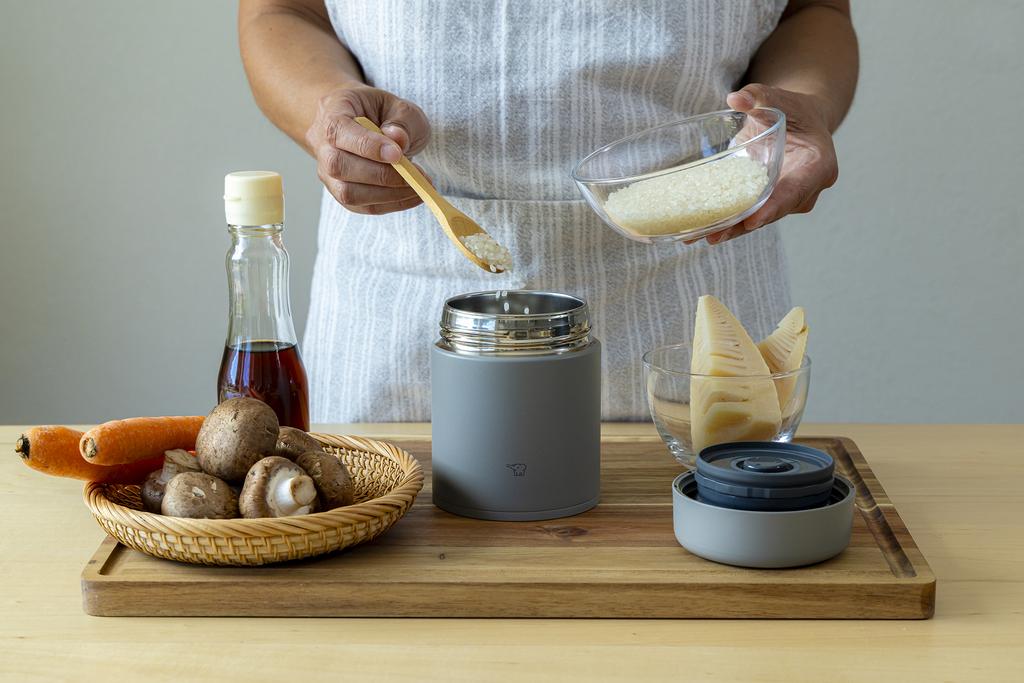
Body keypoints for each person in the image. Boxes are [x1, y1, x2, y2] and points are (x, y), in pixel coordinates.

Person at [238, 0, 858, 422]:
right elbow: (283, 10)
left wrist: (803, 106)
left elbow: (814, 10)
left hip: (690, 299)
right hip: (402, 310)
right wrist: (329, 110)